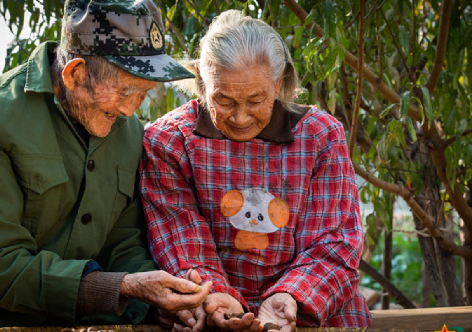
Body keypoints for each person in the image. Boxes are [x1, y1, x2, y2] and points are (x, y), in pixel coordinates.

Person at [0, 0, 212, 330]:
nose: (131, 111)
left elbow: (122, 242)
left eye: (144, 94)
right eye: (126, 92)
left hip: (92, 320)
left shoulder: (132, 133)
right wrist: (121, 287)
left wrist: (156, 301)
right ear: (75, 74)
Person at [140, 9, 372, 332]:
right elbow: (181, 241)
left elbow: (335, 242)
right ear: (202, 83)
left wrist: (289, 297)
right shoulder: (169, 141)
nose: (240, 117)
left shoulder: (320, 136)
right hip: (211, 315)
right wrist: (215, 295)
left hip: (305, 315)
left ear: (278, 85)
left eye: (255, 99)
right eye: (223, 99)